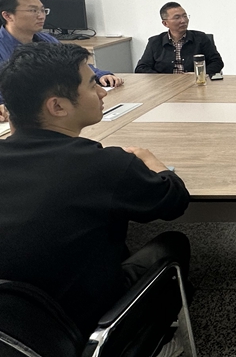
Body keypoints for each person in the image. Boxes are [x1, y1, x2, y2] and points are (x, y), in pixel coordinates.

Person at [0, 42, 191, 342]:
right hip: (75, 327)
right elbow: (173, 201)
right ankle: (157, 339)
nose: (102, 92)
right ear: (57, 106)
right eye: (92, 85)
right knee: (174, 243)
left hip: (13, 328)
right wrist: (152, 161)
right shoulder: (105, 165)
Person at [0, 0, 123, 122]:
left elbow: (71, 65)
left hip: (52, 109)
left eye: (43, 10)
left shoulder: (46, 40)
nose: (41, 16)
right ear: (7, 15)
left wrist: (100, 75)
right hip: (18, 117)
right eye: (33, 10)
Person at [135, 2, 224, 76]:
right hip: (165, 87)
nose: (183, 20)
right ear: (165, 23)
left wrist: (199, 74)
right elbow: (141, 68)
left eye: (185, 16)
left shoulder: (201, 38)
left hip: (195, 83)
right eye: (177, 17)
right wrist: (163, 78)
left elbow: (217, 62)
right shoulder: (155, 42)